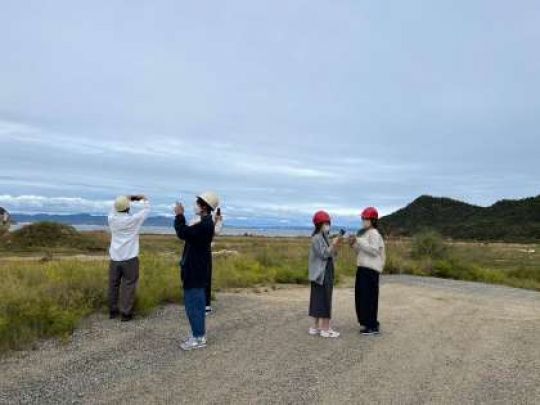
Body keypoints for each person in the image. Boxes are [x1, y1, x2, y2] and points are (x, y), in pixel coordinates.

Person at [174, 191, 219, 351]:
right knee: (195, 304)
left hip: (195, 271)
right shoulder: (205, 223)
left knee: (194, 305)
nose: (196, 205)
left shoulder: (205, 225)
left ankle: (198, 338)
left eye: (198, 203)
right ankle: (198, 335)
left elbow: (182, 232)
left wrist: (179, 215)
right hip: (196, 269)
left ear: (204, 206)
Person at [107, 194, 151, 321]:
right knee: (129, 285)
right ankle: (126, 313)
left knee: (113, 284)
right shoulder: (134, 220)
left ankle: (112, 311)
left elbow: (114, 207)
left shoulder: (111, 219)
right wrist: (143, 198)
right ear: (128, 208)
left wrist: (125, 198)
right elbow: (147, 210)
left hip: (115, 258)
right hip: (130, 258)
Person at [348, 207, 385, 335]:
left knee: (368, 298)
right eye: (363, 218)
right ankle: (368, 323)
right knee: (362, 297)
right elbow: (361, 251)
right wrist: (353, 244)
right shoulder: (365, 234)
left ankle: (372, 325)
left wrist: (358, 240)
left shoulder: (374, 233)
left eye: (365, 218)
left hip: (370, 271)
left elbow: (374, 251)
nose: (363, 220)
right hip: (363, 269)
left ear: (372, 220)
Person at [308, 210, 342, 338]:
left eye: (328, 223)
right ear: (319, 224)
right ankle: (325, 329)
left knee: (318, 299)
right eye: (325, 223)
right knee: (325, 299)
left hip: (321, 273)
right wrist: (333, 244)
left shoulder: (324, 236)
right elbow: (324, 254)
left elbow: (332, 254)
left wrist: (335, 245)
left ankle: (315, 327)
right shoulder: (317, 238)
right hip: (322, 273)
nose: (328, 226)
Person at [189, 207, 224, 315]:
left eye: (198, 205)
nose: (196, 207)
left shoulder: (210, 220)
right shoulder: (195, 220)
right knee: (195, 277)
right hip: (194, 251)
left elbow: (216, 232)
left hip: (204, 251)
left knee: (205, 278)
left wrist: (218, 221)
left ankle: (206, 305)